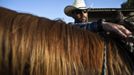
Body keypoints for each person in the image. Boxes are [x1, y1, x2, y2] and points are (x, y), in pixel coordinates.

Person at [64, 0, 132, 38]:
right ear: (73, 14)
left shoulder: (95, 29)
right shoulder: (70, 28)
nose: (83, 15)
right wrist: (101, 25)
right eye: (79, 12)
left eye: (85, 11)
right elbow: (77, 28)